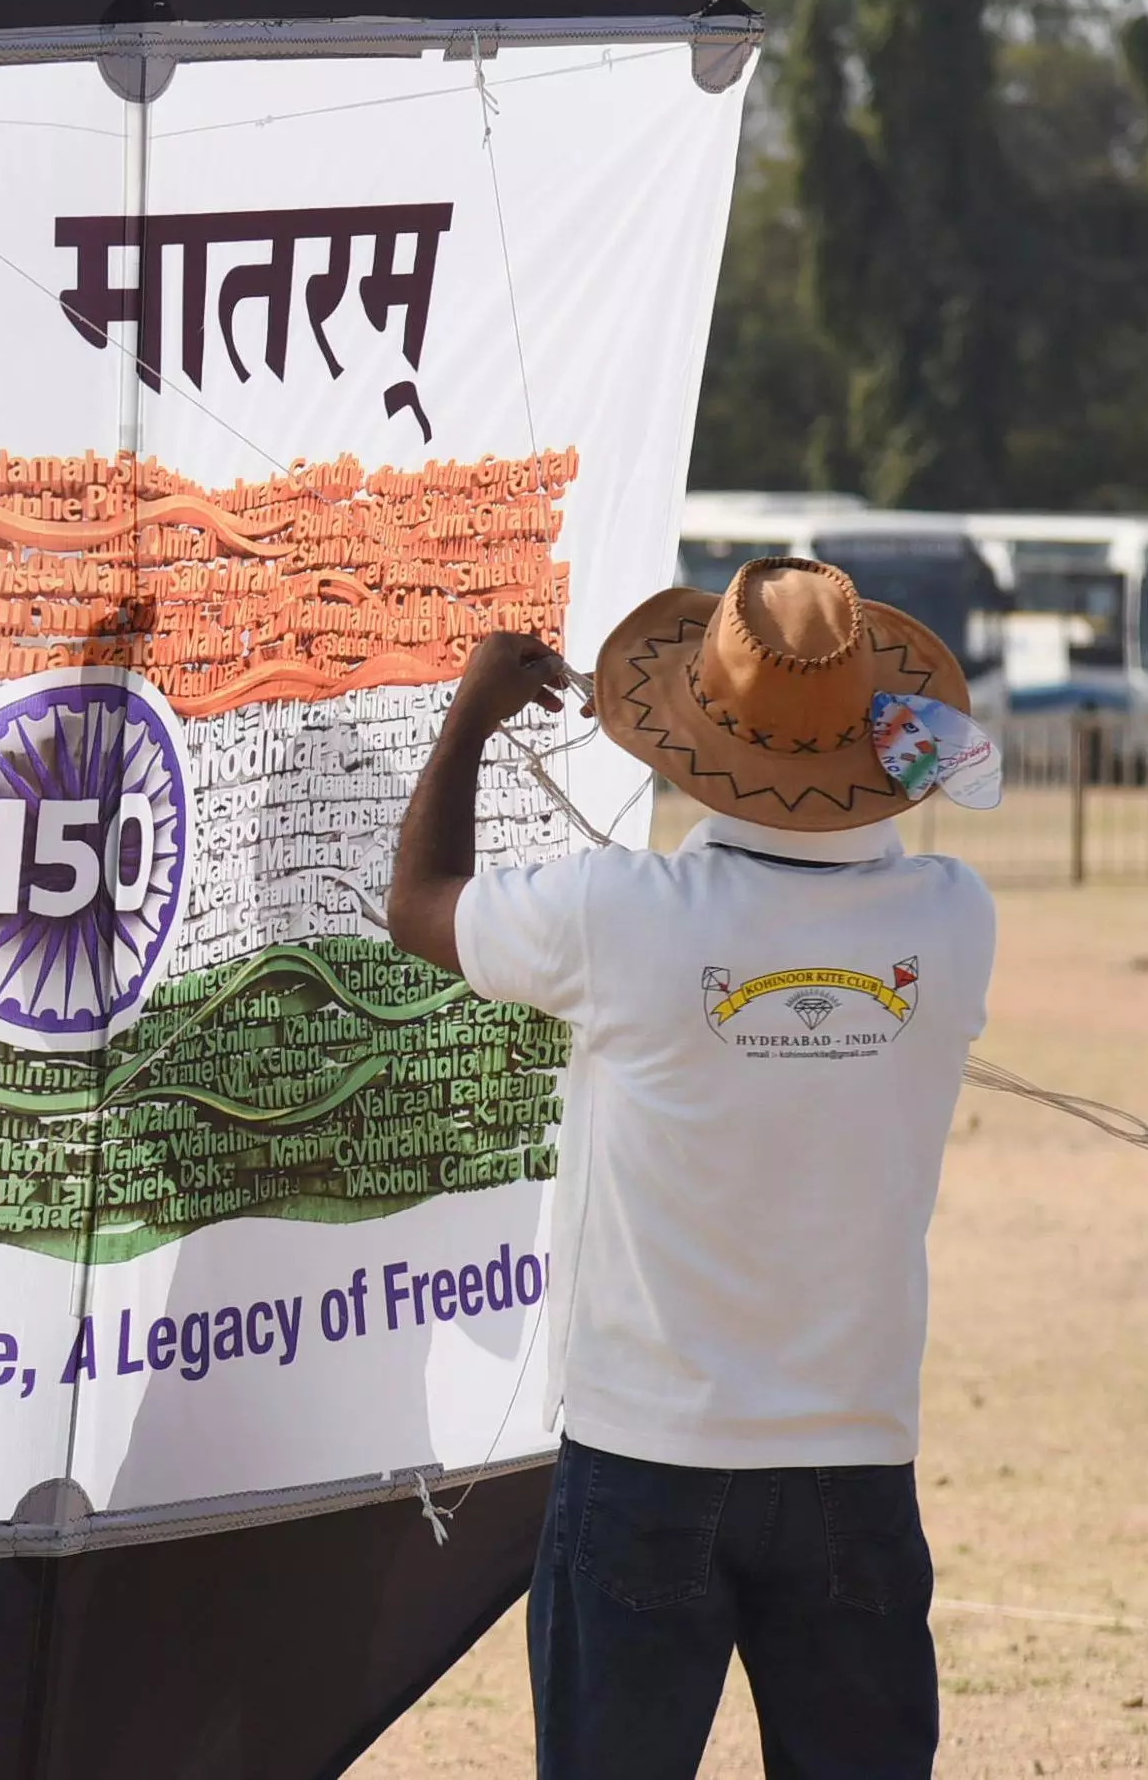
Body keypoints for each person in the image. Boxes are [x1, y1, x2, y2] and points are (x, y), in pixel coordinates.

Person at [389, 557, 999, 1780]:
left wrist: (469, 714)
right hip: (855, 1459)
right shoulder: (952, 919)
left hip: (646, 1455)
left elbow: (419, 903)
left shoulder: (619, 912)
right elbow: (921, 798)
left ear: (700, 732)